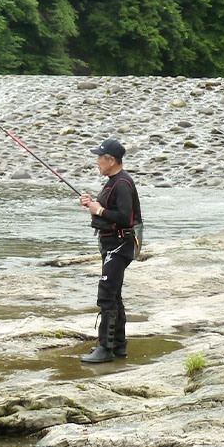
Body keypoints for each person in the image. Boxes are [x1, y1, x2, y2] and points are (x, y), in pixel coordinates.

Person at [79, 138, 142, 364]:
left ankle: (105, 348)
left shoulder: (122, 183)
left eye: (100, 157)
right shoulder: (112, 181)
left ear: (111, 160)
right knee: (113, 294)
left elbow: (124, 217)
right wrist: (92, 205)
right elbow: (108, 210)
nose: (97, 162)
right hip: (113, 245)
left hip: (119, 245)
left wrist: (100, 210)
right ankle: (119, 346)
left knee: (106, 294)